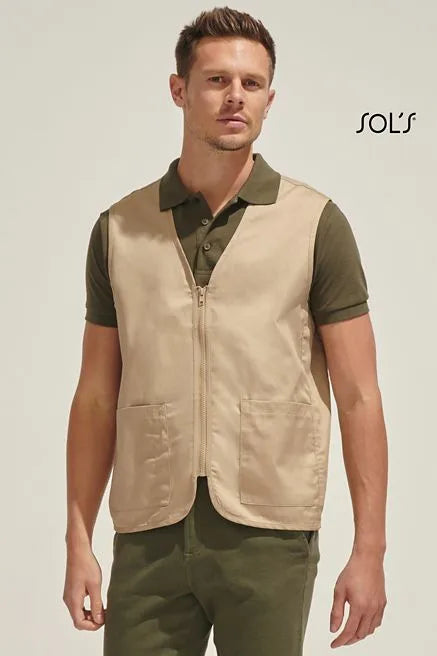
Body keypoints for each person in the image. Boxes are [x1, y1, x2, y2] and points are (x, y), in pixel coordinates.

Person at [63, 6, 388, 654]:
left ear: (270, 98)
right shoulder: (120, 229)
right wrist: (78, 542)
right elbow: (95, 396)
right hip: (149, 533)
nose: (235, 96)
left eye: (251, 83)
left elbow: (359, 396)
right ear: (179, 90)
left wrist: (370, 550)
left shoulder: (315, 224)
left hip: (269, 534)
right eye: (216, 80)